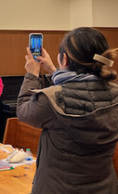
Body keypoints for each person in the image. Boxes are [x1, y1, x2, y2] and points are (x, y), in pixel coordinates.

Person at [17, 27, 118, 194]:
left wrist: (32, 74)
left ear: (64, 59)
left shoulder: (50, 100)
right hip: (104, 187)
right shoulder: (114, 93)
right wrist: (53, 69)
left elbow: (23, 110)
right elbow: (81, 89)